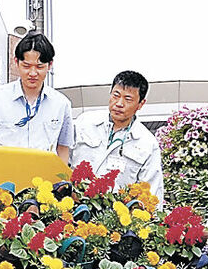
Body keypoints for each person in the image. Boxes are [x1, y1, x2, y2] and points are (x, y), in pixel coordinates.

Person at [0, 32, 74, 162]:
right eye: (26, 66)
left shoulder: (61, 104)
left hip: (43, 179)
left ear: (50, 65)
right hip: (1, 178)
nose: (33, 73)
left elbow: (63, 148)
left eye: (40, 67)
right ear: (16, 62)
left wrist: (61, 180)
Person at [70, 70, 164, 203]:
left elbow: (152, 191)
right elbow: (63, 159)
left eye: (128, 99)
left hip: (113, 216)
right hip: (73, 205)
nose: (119, 103)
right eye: (116, 95)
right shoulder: (84, 122)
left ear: (141, 104)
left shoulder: (147, 143)